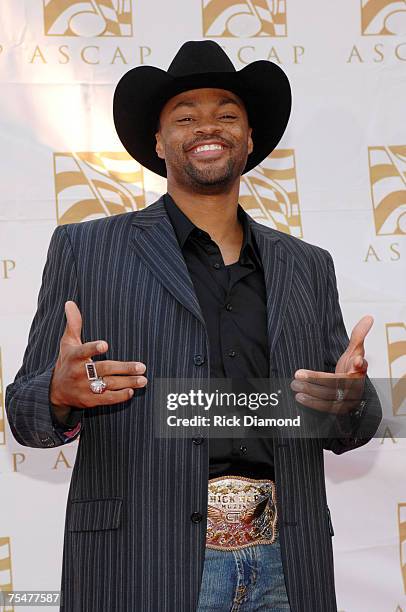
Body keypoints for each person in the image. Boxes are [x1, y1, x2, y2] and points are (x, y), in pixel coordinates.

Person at [6, 40, 381, 612]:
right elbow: (23, 413)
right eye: (185, 116)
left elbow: (345, 419)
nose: (208, 126)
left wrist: (351, 400)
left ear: (250, 139)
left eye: (227, 114)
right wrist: (57, 394)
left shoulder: (308, 265)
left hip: (289, 563)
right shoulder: (88, 249)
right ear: (158, 142)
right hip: (140, 563)